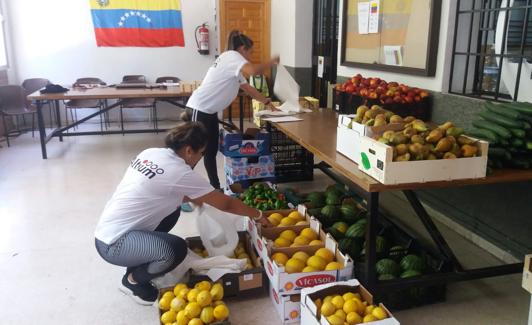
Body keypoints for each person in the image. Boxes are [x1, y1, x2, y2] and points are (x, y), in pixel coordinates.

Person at [94, 122, 270, 305]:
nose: (200, 157)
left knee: (172, 213)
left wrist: (197, 198)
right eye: (201, 153)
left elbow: (163, 190)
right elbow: (226, 204)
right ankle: (133, 282)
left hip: (107, 230)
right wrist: (257, 214)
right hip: (114, 245)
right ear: (188, 151)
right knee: (174, 250)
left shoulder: (151, 153)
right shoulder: (179, 171)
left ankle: (140, 262)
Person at [185, 29, 280, 190]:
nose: (250, 57)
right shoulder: (232, 56)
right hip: (199, 108)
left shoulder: (231, 61)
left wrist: (266, 101)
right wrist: (272, 61)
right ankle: (181, 192)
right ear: (242, 48)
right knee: (194, 153)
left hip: (208, 112)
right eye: (250, 52)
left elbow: (247, 87)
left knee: (210, 152)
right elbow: (253, 71)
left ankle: (215, 188)